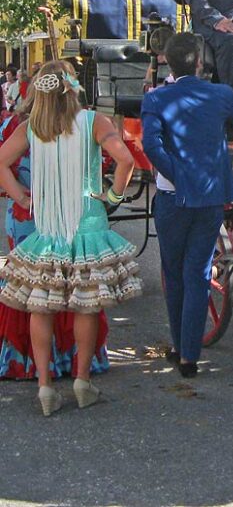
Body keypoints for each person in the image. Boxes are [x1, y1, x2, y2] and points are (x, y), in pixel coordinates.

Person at [0, 60, 140, 415]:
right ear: (72, 86)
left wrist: (22, 197)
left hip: (47, 228)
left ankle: (45, 387)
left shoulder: (33, 127)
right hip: (88, 225)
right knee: (86, 304)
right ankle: (81, 381)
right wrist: (112, 198)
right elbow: (125, 160)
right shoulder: (94, 122)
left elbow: (0, 162)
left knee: (41, 305)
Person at [141, 33, 233, 378]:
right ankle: (189, 357)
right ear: (200, 63)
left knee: (174, 272)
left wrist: (178, 176)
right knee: (197, 273)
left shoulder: (156, 98)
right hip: (210, 196)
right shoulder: (220, 93)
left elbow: (151, 146)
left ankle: (181, 346)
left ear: (167, 60)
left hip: (172, 197)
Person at [0, 99, 111, 380]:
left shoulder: (18, 125)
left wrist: (22, 197)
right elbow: (108, 160)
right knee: (77, 288)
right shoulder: (84, 124)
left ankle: (34, 368)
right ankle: (76, 366)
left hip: (30, 212)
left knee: (34, 293)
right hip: (75, 214)